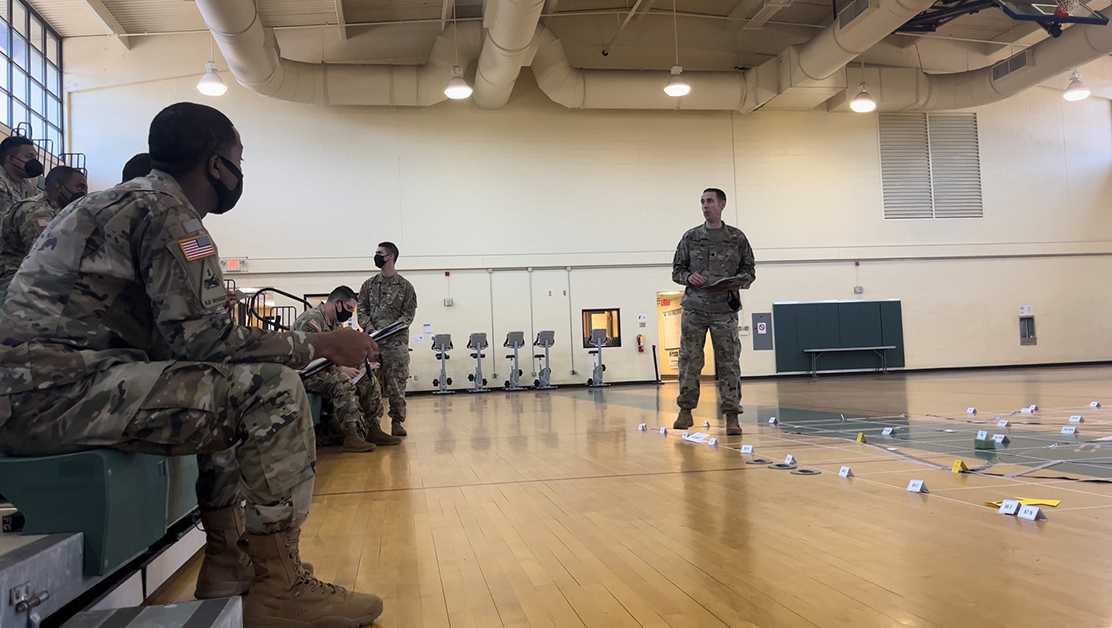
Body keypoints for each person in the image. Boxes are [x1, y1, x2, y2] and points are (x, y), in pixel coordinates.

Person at [0, 102, 384, 628]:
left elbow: (180, 341)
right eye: (238, 158)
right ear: (215, 165)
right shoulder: (170, 211)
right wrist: (321, 345)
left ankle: (228, 562)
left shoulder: (123, 201)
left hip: (37, 391)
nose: (239, 171)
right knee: (271, 391)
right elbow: (205, 340)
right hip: (49, 396)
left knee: (224, 391)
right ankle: (280, 586)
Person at [671, 188, 756, 437]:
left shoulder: (737, 238)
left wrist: (739, 281)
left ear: (722, 204)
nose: (705, 206)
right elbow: (677, 270)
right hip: (695, 310)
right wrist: (688, 276)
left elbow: (750, 270)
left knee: (729, 363)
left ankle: (732, 417)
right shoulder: (691, 237)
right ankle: (685, 412)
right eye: (702, 202)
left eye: (709, 201)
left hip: (724, 310)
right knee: (689, 362)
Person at [292, 285, 402, 452]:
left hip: (327, 371)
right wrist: (341, 369)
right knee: (342, 381)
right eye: (349, 308)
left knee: (369, 380)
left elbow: (340, 352)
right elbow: (308, 357)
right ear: (338, 302)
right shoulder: (312, 320)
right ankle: (351, 435)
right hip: (307, 375)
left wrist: (361, 366)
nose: (350, 313)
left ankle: (374, 429)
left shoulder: (335, 324)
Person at [357, 241, 416, 436]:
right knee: (370, 385)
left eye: (379, 253)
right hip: (372, 345)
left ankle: (397, 423)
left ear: (390, 256)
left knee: (397, 385)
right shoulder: (369, 285)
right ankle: (372, 425)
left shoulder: (406, 287)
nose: (376, 256)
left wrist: (388, 333)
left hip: (396, 345)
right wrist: (373, 332)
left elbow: (407, 316)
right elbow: (362, 311)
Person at [0, 166, 87, 292]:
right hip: (14, 278)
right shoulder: (37, 211)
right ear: (59, 187)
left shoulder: (62, 212)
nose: (83, 193)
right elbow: (46, 259)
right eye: (80, 187)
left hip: (33, 276)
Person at [0, 136, 43, 222]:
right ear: (11, 159)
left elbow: (43, 203)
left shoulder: (26, 183)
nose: (34, 162)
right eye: (29, 157)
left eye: (35, 158)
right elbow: (5, 223)